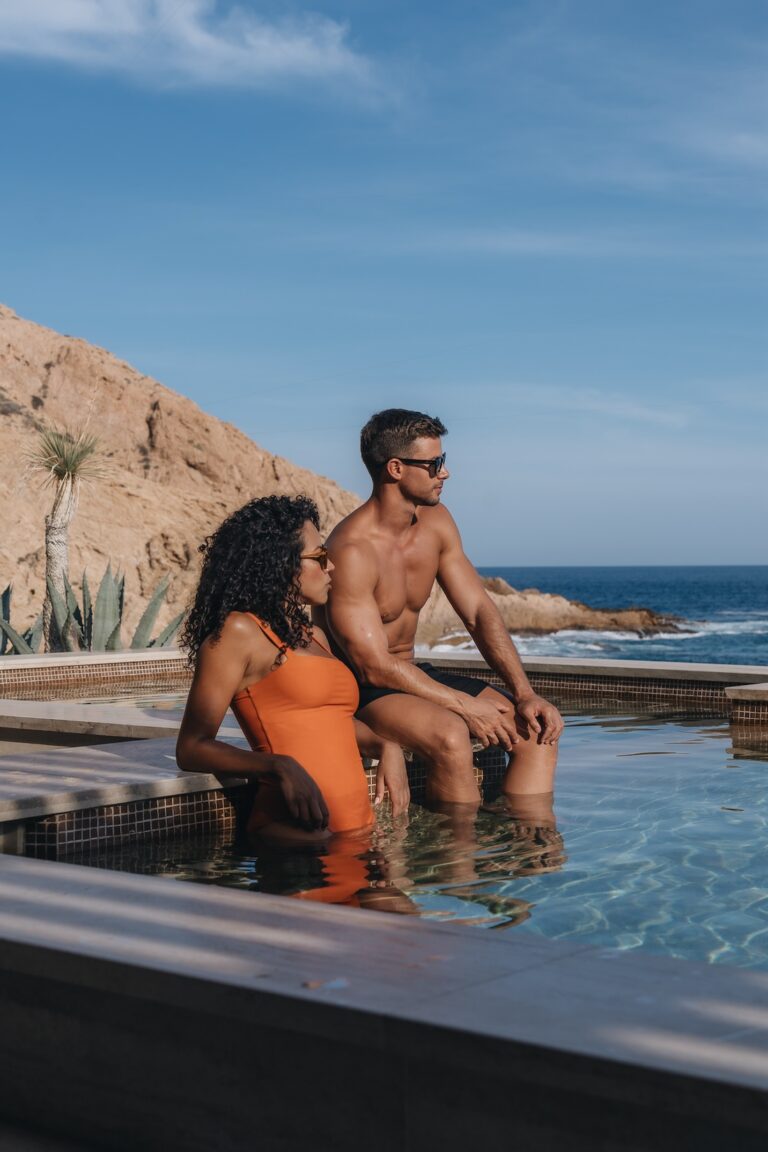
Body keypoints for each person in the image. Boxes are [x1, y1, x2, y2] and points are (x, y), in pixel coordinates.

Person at [316, 408, 564, 809]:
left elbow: (478, 611)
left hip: (411, 675)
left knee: (534, 729)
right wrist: (466, 706)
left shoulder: (436, 522)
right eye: (435, 464)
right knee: (451, 735)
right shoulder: (352, 549)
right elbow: (373, 666)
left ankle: (526, 845)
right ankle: (457, 861)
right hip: (359, 689)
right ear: (395, 468)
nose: (444, 473)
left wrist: (525, 693)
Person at [175, 495, 411, 904]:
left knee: (420, 952)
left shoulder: (313, 635)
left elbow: (330, 722)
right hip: (301, 848)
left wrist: (382, 743)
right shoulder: (240, 632)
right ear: (280, 562)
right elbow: (192, 746)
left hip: (355, 838)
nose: (331, 566)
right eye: (319, 556)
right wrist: (277, 766)